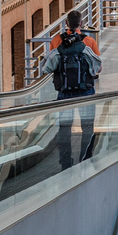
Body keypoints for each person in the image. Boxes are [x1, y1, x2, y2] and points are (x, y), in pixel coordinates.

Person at [42, 11, 101, 169]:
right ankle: (86, 159)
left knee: (64, 127)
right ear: (81, 24)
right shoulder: (89, 41)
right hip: (86, 92)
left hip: (64, 93)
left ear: (66, 24)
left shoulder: (57, 41)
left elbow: (48, 67)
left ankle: (65, 162)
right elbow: (98, 68)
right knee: (87, 126)